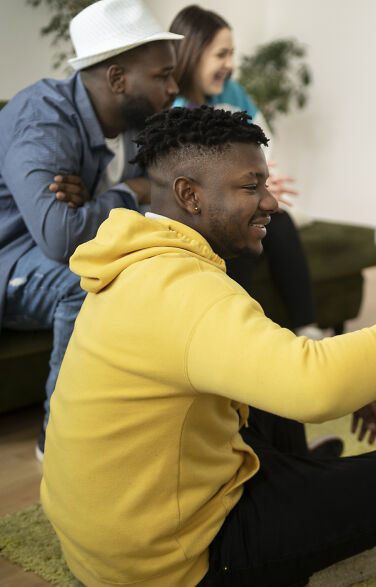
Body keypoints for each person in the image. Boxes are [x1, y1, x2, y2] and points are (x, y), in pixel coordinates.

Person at [40, 106, 376, 586]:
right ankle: (300, 499)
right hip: (170, 563)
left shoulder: (139, 263)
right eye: (251, 187)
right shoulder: (188, 290)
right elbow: (317, 387)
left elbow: (286, 366)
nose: (270, 202)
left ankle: (299, 473)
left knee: (270, 372)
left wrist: (357, 371)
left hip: (107, 540)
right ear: (189, 194)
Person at [0, 0, 181, 460]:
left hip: (52, 250)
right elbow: (61, 238)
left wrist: (98, 204)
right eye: (162, 75)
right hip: (10, 258)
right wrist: (132, 191)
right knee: (88, 281)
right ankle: (61, 441)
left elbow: (172, 194)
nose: (174, 88)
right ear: (118, 78)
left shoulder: (138, 123)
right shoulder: (43, 117)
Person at [169, 4, 321, 338]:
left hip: (241, 198)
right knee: (237, 227)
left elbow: (264, 143)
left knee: (278, 219)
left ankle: (307, 329)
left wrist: (260, 185)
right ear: (192, 54)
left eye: (232, 54)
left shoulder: (233, 92)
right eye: (221, 54)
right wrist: (251, 191)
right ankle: (239, 336)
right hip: (202, 211)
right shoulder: (173, 107)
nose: (230, 64)